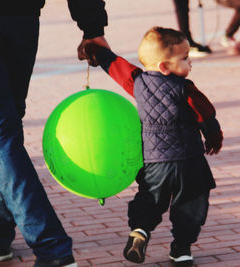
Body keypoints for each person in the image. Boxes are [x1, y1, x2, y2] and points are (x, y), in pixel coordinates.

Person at [83, 26, 223, 266]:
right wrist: (213, 136)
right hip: (189, 161)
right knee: (192, 203)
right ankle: (181, 248)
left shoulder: (137, 82)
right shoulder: (186, 88)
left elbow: (116, 67)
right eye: (185, 58)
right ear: (164, 67)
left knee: (150, 198)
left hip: (154, 162)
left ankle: (140, 230)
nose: (190, 63)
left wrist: (96, 51)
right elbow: (205, 114)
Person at [0, 2, 109, 267]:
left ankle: (52, 247)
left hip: (20, 16)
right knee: (4, 129)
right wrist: (92, 26)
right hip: (21, 19)